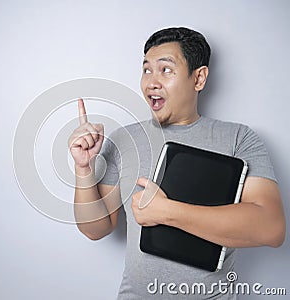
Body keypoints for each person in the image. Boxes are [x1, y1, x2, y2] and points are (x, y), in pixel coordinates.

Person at [68, 27, 286, 299]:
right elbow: (95, 229)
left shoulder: (238, 139)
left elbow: (272, 229)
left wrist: (166, 211)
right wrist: (84, 169)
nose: (151, 82)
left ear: (199, 78)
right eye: (146, 70)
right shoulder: (125, 139)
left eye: (166, 70)